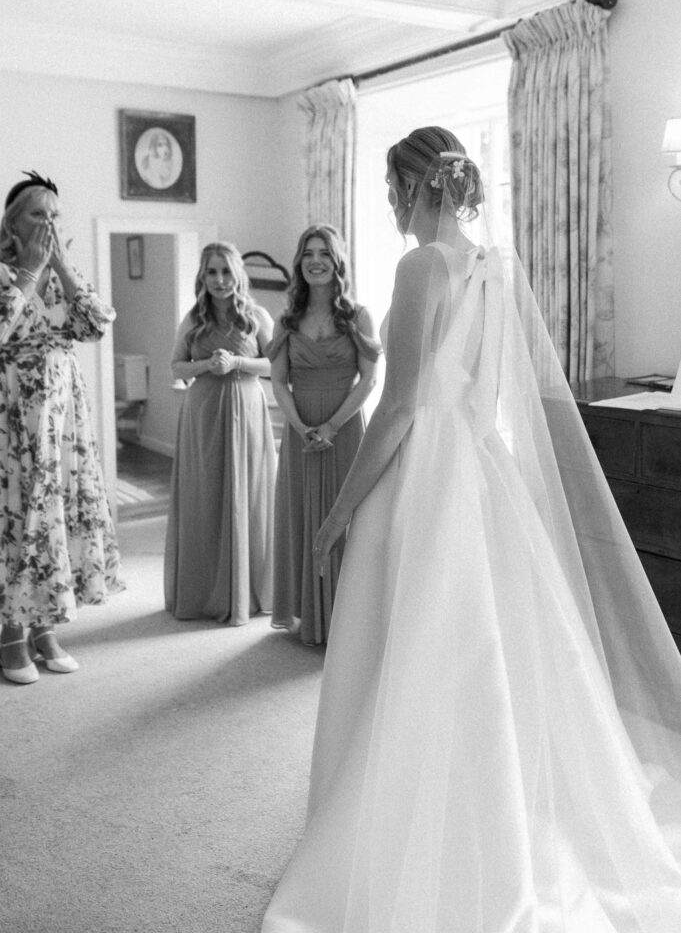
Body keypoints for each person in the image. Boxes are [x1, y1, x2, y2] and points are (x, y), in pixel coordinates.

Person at [261, 127, 681, 931]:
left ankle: (417, 818)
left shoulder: (421, 266)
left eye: (391, 188)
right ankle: (494, 807)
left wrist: (337, 513)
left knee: (417, 641)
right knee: (481, 647)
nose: (390, 204)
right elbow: (496, 395)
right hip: (482, 467)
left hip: (425, 473)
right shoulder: (499, 267)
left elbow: (398, 407)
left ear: (413, 186)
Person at [0, 171, 123, 685]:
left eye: (54, 214)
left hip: (63, 418)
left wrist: (62, 268)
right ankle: (10, 631)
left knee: (57, 516)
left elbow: (96, 324)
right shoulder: (6, 272)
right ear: (11, 223)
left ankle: (44, 627)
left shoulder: (61, 272)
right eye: (37, 213)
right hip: (13, 415)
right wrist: (29, 271)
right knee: (18, 517)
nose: (48, 223)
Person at [267, 224, 379, 645]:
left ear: (337, 262)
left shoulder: (357, 316)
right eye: (309, 254)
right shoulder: (287, 320)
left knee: (346, 517)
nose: (316, 261)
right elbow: (279, 381)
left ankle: (345, 618)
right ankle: (310, 612)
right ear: (300, 262)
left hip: (344, 428)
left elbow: (369, 379)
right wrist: (301, 428)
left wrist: (331, 426)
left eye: (325, 254)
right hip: (301, 431)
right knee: (302, 516)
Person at [164, 241, 276, 624]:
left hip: (248, 412)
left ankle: (248, 591)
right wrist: (206, 366)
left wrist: (238, 362)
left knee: (249, 495)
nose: (220, 279)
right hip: (203, 414)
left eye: (226, 271)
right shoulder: (193, 319)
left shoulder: (256, 316)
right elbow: (176, 367)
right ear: (203, 276)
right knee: (205, 496)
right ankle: (203, 591)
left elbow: (275, 366)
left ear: (237, 274)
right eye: (212, 272)